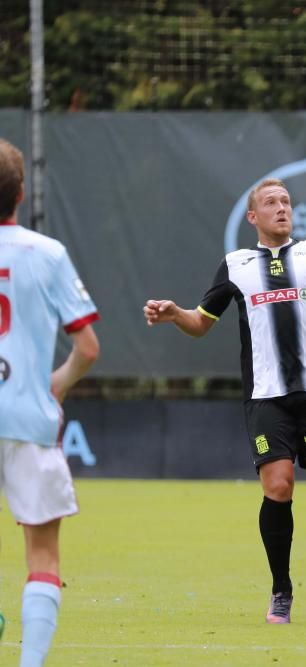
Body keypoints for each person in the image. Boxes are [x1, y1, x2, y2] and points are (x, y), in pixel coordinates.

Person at [143, 177, 306, 624]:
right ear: (253, 217)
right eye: (270, 202)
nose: (281, 208)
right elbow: (200, 322)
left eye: (287, 201)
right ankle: (281, 591)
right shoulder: (235, 264)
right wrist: (175, 314)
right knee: (278, 487)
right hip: (265, 397)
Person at [0, 138, 100, 666]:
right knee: (41, 555)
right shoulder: (47, 253)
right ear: (19, 193)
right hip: (27, 417)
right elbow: (87, 347)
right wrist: (56, 384)